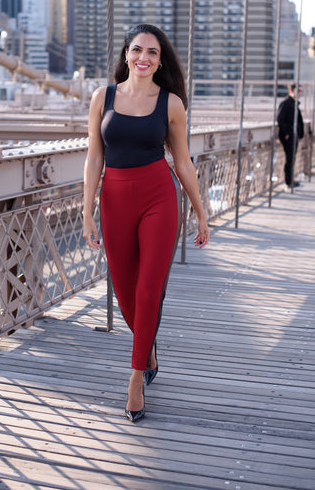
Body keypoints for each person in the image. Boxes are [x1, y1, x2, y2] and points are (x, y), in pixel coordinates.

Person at [83, 23, 210, 423]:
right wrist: (87, 210)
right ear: (125, 55)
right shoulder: (101, 97)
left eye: (152, 53)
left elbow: (183, 161)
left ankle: (136, 378)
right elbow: (93, 157)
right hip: (114, 199)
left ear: (160, 61)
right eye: (137, 50)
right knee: (124, 290)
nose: (143, 58)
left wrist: (201, 210)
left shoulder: (171, 104)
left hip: (158, 197)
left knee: (149, 289)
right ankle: (148, 345)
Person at [277, 83, 304, 189]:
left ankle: (290, 180)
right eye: (298, 91)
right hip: (289, 136)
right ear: (291, 91)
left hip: (294, 135)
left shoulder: (294, 104)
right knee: (289, 159)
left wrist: (300, 133)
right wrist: (287, 133)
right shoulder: (286, 103)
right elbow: (280, 119)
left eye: (301, 91)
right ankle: (289, 182)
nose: (300, 93)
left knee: (292, 159)